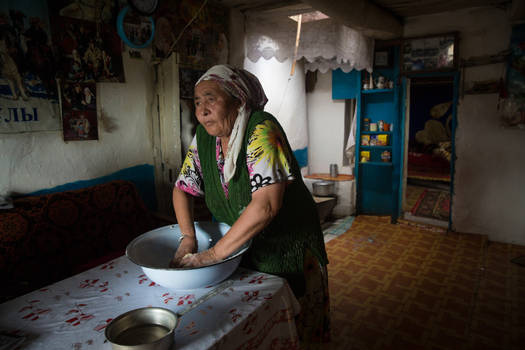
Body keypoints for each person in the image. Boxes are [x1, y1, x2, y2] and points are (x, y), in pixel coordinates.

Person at [171, 65, 330, 346]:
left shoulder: (261, 128)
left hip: (286, 245)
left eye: (211, 99)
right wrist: (187, 239)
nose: (201, 111)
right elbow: (182, 189)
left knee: (298, 322)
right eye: (197, 102)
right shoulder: (205, 139)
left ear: (238, 100)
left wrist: (211, 255)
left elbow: (266, 205)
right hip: (245, 248)